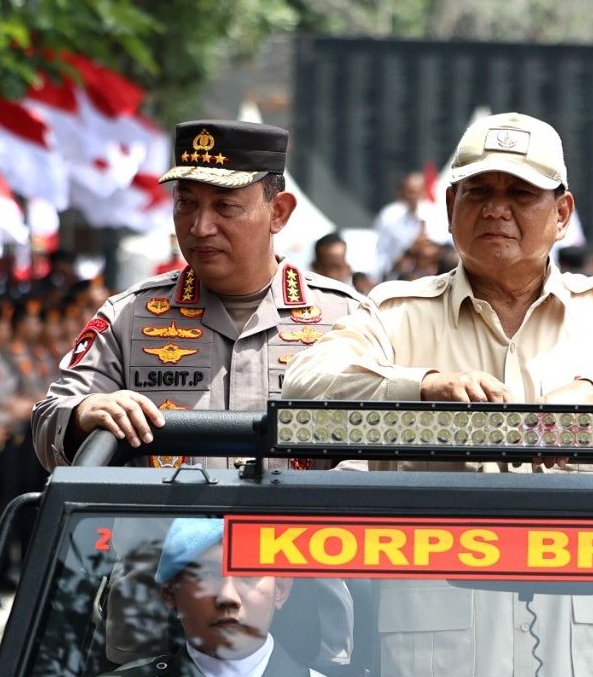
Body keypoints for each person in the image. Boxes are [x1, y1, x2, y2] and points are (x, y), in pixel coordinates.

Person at [284, 111, 593, 677]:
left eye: (520, 195)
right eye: (478, 193)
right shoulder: (398, 314)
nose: (495, 211)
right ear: (451, 205)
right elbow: (305, 386)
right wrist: (421, 387)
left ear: (562, 213)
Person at [35, 120, 364, 469]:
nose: (199, 227)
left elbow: (388, 448)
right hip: (161, 523)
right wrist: (84, 413)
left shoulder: (345, 318)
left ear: (278, 212)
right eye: (186, 203)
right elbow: (48, 425)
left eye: (225, 207)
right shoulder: (129, 316)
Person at [61, 518, 382, 677]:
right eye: (205, 576)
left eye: (248, 574)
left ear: (281, 590)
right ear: (170, 594)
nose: (228, 597)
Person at [373, 169, 429, 281]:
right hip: (400, 279)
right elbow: (382, 255)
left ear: (424, 191)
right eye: (410, 192)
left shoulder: (439, 217)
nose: (414, 197)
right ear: (402, 193)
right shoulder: (390, 218)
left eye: (418, 191)